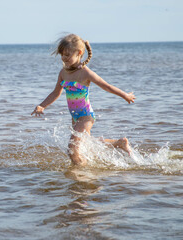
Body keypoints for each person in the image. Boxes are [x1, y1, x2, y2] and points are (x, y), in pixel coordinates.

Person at [31, 34, 136, 166]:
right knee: (89, 145)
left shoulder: (85, 73)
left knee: (72, 149)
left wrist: (125, 95)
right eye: (62, 54)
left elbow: (107, 86)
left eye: (67, 54)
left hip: (86, 116)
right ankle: (119, 143)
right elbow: (56, 92)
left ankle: (80, 173)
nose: (64, 58)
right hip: (75, 117)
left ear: (79, 53)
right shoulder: (63, 73)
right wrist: (42, 106)